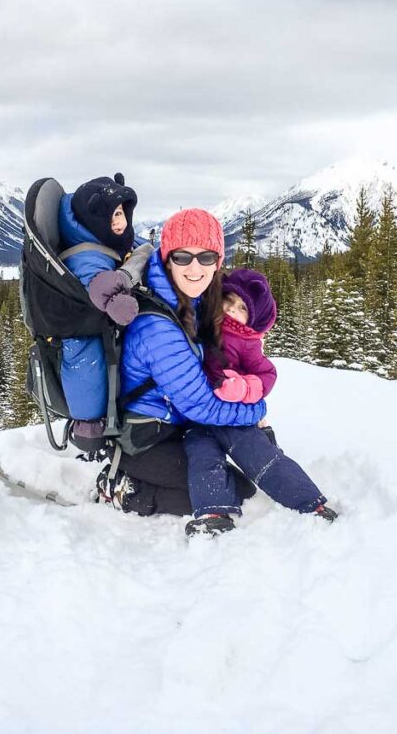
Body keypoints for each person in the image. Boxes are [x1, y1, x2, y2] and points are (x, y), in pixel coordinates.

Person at [95, 208, 266, 517]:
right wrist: (256, 410)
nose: (195, 268)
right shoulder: (157, 328)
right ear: (167, 259)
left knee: (247, 473)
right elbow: (201, 406)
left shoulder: (194, 299)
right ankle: (122, 487)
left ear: (218, 262)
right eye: (183, 257)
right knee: (232, 490)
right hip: (146, 437)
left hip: (177, 424)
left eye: (206, 257)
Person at [185, 267, 337, 536]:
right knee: (203, 460)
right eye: (228, 301)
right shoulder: (202, 323)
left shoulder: (247, 341)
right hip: (199, 419)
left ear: (252, 315)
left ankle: (309, 502)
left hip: (235, 417)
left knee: (263, 460)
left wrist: (244, 388)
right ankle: (214, 512)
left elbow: (266, 373)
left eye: (241, 307)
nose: (231, 309)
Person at [56, 174, 151, 443]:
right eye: (111, 217)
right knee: (89, 370)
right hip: (83, 332)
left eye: (120, 213)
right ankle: (88, 429)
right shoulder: (86, 255)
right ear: (94, 221)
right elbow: (98, 287)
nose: (118, 222)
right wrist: (118, 303)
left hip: (97, 327)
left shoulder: (106, 241)